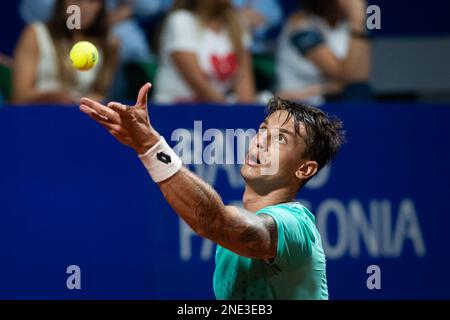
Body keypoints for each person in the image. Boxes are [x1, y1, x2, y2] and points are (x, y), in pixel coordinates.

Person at [78, 82, 345, 299]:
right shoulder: (228, 244)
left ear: (304, 169)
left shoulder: (296, 226)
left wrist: (151, 147)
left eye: (280, 138)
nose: (260, 141)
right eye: (262, 130)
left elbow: (216, 222)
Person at [13, 0, 119, 104]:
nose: (84, 7)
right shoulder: (35, 34)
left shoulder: (109, 44)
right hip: (37, 115)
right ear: (62, 3)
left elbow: (100, 94)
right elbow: (20, 96)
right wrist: (51, 97)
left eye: (92, 1)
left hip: (79, 118)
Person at [154, 0, 255, 104]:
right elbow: (198, 83)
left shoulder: (238, 24)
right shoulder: (181, 21)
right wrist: (228, 112)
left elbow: (245, 89)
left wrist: (245, 114)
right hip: (175, 110)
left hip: (217, 110)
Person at [276, 0, 371, 105]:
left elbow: (360, 77)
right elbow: (345, 75)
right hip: (297, 105)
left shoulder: (349, 26)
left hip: (329, 100)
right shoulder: (299, 23)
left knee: (360, 91)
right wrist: (357, 19)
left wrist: (358, 24)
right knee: (356, 93)